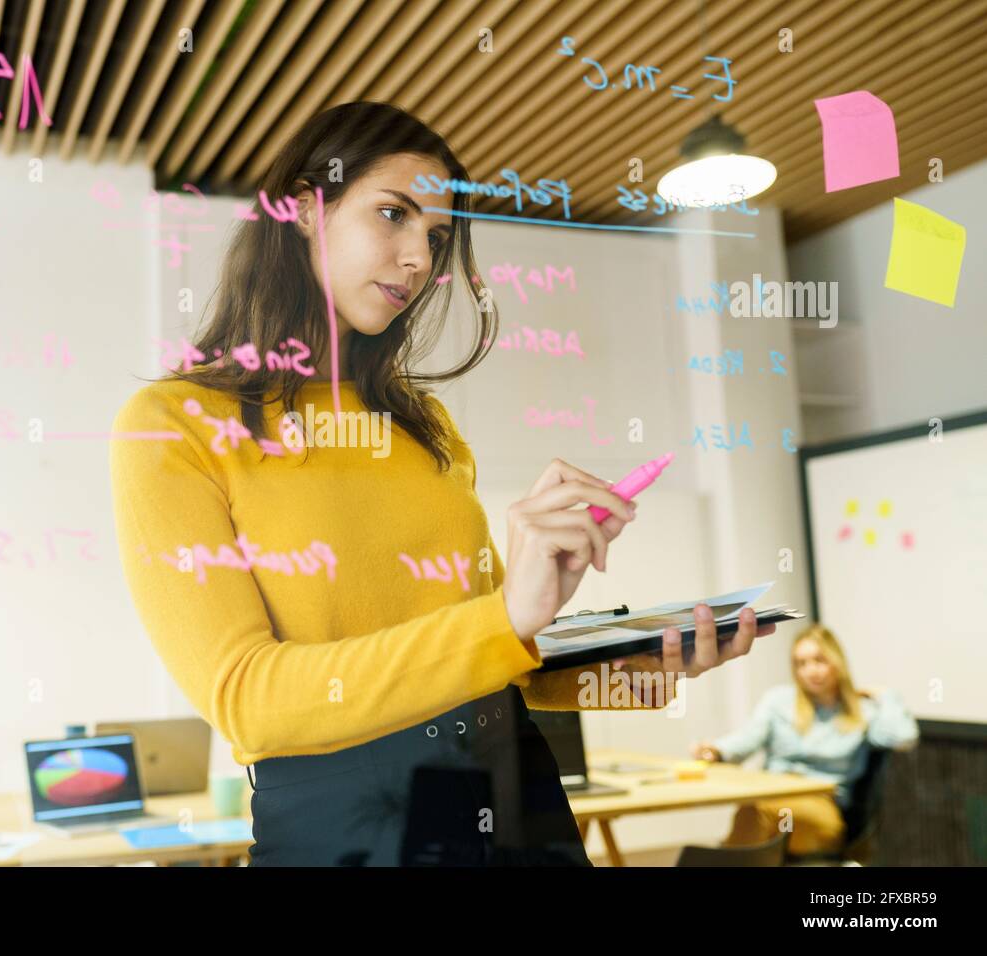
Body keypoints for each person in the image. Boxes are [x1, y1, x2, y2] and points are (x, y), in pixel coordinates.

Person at [110, 101, 776, 866]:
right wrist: (502, 622)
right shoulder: (174, 423)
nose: (420, 259)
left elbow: (498, 665)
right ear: (300, 209)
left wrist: (639, 666)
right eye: (392, 215)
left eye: (435, 237)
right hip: (349, 829)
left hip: (518, 801)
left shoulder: (422, 422)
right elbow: (247, 701)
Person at [692, 624, 918, 857]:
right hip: (774, 793)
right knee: (756, 809)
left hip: (822, 808)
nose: (811, 671)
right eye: (801, 664)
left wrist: (885, 695)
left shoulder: (862, 713)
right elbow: (745, 740)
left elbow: (904, 737)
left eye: (819, 660)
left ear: (837, 662)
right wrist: (715, 751)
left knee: (759, 811)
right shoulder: (779, 701)